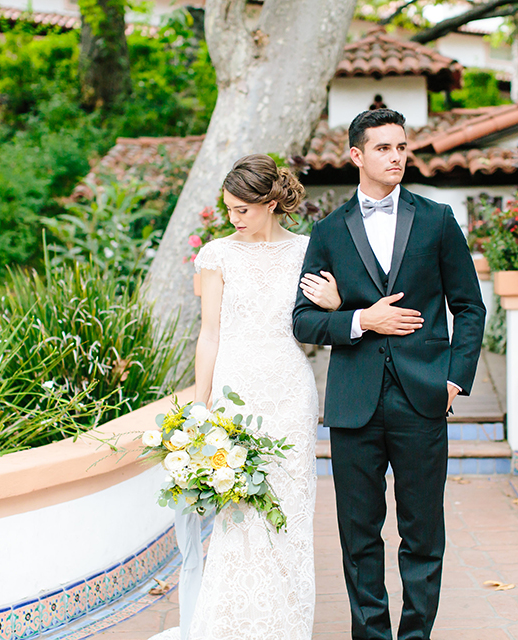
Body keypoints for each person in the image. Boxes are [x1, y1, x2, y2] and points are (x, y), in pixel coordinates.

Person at [292, 108, 486, 640]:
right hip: (355, 403)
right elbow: (303, 319)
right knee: (358, 537)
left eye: (401, 146)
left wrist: (454, 379)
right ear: (356, 155)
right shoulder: (328, 231)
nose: (396, 156)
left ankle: (416, 636)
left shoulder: (437, 220)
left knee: (423, 532)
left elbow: (469, 307)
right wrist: (359, 318)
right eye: (383, 148)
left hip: (423, 396)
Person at [150, 154, 341, 640]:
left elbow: (323, 325)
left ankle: (287, 626)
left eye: (242, 209)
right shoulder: (217, 254)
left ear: (273, 203)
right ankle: (233, 625)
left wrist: (338, 305)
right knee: (240, 510)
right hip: (235, 392)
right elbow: (209, 333)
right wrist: (201, 402)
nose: (233, 218)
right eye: (229, 209)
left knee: (290, 510)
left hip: (288, 390)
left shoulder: (308, 250)